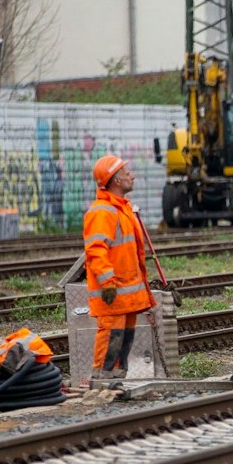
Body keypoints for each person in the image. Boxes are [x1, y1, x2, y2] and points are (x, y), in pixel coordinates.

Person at [83, 154, 155, 385]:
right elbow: (95, 250)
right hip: (113, 291)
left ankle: (116, 380)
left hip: (127, 293)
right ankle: (101, 381)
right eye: (126, 172)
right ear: (115, 180)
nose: (131, 175)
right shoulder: (102, 212)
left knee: (124, 339)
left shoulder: (122, 209)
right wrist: (108, 283)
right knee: (111, 336)